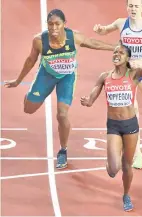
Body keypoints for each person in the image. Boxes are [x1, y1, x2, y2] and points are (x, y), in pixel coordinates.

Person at [4, 9, 116, 170]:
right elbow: (30, 61)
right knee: (28, 109)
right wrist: (18, 81)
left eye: (58, 24)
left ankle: (63, 150)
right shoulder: (39, 41)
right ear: (47, 25)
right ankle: (36, 95)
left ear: (64, 24)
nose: (54, 28)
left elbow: (94, 43)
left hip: (67, 77)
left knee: (62, 115)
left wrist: (116, 47)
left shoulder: (73, 37)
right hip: (46, 76)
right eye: (51, 24)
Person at [80, 35, 142, 211]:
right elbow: (92, 96)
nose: (116, 54)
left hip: (130, 126)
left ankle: (126, 195)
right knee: (113, 170)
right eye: (115, 52)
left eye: (121, 52)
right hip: (114, 126)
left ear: (127, 58)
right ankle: (110, 160)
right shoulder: (104, 77)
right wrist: (87, 100)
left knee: (127, 165)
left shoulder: (134, 75)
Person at [93, 0, 142, 169]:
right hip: (126, 71)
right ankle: (137, 153)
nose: (133, 9)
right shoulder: (121, 23)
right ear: (127, 7)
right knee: (133, 109)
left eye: (136, 6)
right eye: (130, 5)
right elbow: (106, 30)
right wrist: (100, 30)